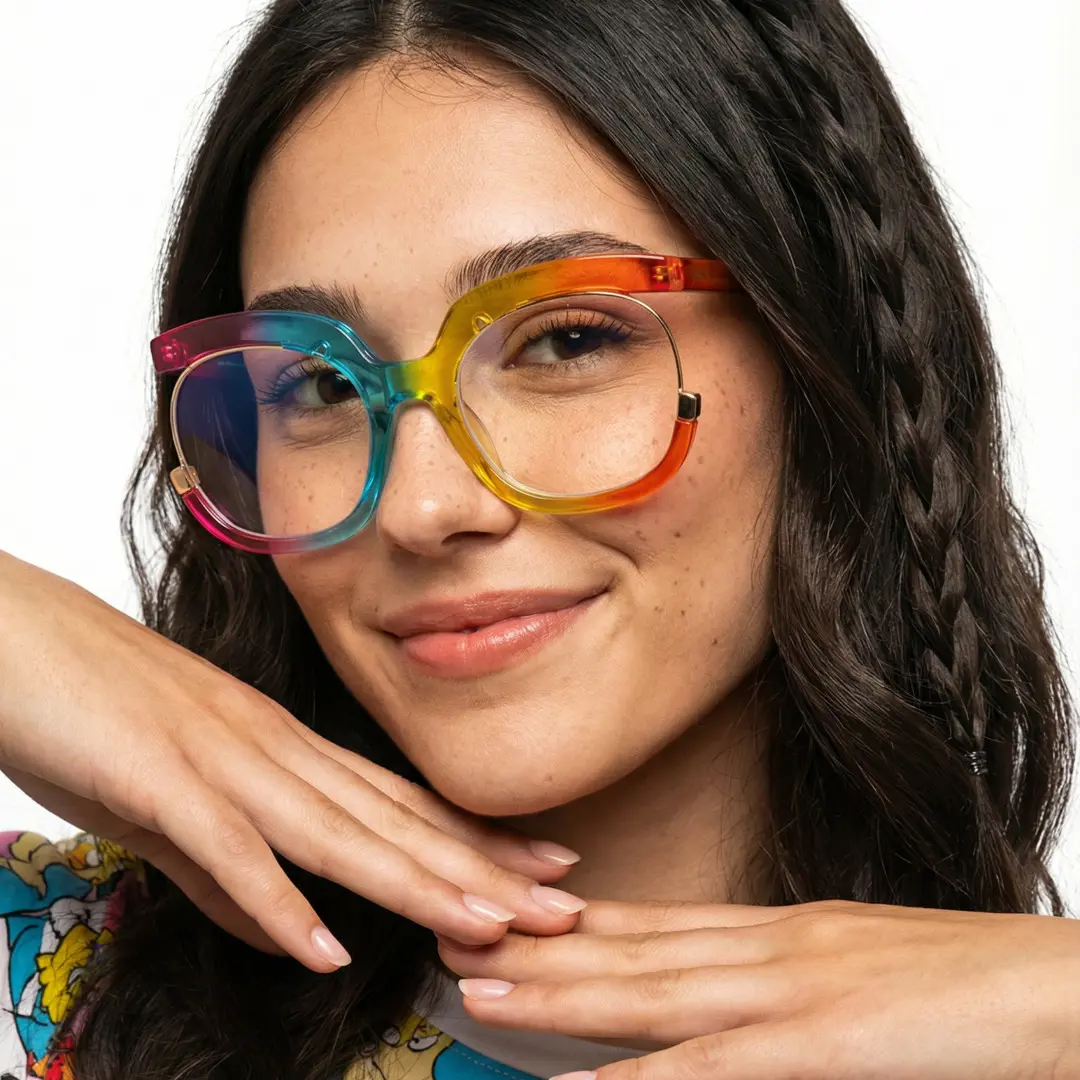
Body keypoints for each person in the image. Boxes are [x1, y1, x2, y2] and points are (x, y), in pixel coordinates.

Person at [0, 0, 1076, 1077]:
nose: (423, 507)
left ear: (825, 353)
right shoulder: (48, 978)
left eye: (566, 340)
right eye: (320, 382)